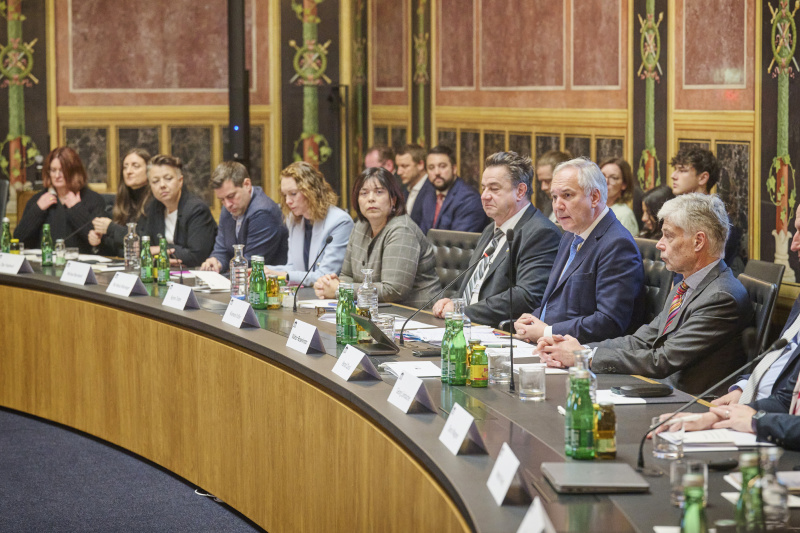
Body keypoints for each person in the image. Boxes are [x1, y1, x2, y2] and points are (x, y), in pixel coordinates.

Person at [539, 193, 753, 396]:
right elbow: (640, 341)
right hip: (660, 390)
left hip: (688, 402)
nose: (659, 244)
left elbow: (663, 359)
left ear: (698, 242)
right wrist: (576, 349)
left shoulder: (721, 296)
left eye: (668, 236)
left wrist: (583, 356)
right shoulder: (688, 284)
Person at [513, 158, 645, 345]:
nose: (558, 206)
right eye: (554, 197)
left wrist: (547, 331)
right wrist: (532, 321)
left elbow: (610, 322)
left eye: (567, 195)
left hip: (583, 357)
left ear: (594, 197)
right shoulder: (570, 235)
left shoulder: (617, 244)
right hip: (549, 346)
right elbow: (557, 302)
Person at [432, 151, 560, 327]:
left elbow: (526, 297)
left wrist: (462, 311)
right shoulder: (490, 229)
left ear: (520, 191)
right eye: (483, 188)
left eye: (494, 188)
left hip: (498, 333)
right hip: (465, 325)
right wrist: (453, 302)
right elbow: (476, 287)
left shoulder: (541, 233)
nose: (484, 195)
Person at [710, 204, 800, 406]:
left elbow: (788, 398)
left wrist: (754, 416)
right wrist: (744, 388)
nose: (794, 244)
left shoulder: (722, 293)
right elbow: (778, 361)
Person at [313, 167, 441, 307]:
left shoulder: (402, 230)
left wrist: (340, 289)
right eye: (364, 193)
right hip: (377, 310)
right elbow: (347, 275)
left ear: (393, 199)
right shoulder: (360, 227)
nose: (371, 199)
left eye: (379, 192)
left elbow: (393, 290)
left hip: (417, 314)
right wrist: (329, 285)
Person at [263, 161, 353, 284]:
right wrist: (265, 270)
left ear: (311, 191)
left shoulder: (339, 222)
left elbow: (324, 276)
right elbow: (293, 268)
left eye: (293, 194)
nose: (288, 201)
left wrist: (282, 275)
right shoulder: (294, 220)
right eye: (285, 195)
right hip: (302, 297)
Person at [14, 146, 106, 254]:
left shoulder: (93, 200)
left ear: (74, 172)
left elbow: (99, 241)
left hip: (79, 266)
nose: (57, 176)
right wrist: (38, 210)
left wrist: (76, 208)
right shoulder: (38, 200)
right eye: (53, 170)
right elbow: (18, 238)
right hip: (43, 266)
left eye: (62, 170)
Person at [198, 161, 286, 273]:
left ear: (247, 185)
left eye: (231, 196)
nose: (227, 204)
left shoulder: (263, 212)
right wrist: (216, 262)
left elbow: (249, 265)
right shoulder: (229, 208)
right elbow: (222, 249)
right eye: (222, 200)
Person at [670, 146, 744, 275]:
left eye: (682, 170)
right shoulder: (678, 214)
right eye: (675, 169)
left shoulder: (718, 221)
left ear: (703, 178)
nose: (673, 176)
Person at [140, 155, 217, 267]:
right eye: (155, 181)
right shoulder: (154, 207)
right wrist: (160, 259)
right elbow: (145, 248)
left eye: (168, 179)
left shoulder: (197, 209)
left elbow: (196, 256)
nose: (162, 185)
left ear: (180, 181)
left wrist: (160, 250)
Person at [410, 145, 489, 234]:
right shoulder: (429, 194)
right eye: (431, 168)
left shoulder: (469, 199)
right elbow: (421, 235)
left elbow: (457, 243)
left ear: (454, 169)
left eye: (442, 166)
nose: (437, 172)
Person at [88, 148, 152, 255]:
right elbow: (116, 250)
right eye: (125, 167)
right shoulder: (121, 201)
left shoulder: (155, 202)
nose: (129, 171)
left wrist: (111, 229)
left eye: (135, 166)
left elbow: (148, 242)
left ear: (149, 171)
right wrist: (99, 240)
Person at [599, 157, 638, 235]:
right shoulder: (592, 209)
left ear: (624, 184)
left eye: (613, 178)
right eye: (601, 176)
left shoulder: (624, 215)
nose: (605, 181)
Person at [396, 143, 431, 220]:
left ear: (420, 165)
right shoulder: (403, 189)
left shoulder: (432, 190)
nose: (399, 172)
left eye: (404, 166)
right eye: (398, 166)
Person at [535, 150, 571, 222]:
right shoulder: (548, 206)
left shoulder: (574, 209)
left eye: (548, 181)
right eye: (541, 181)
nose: (543, 187)